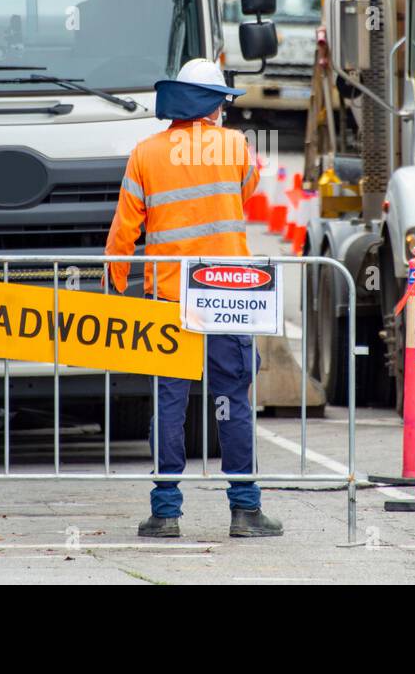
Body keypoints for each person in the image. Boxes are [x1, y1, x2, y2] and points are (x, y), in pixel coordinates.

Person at [105, 59, 282, 539]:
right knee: (233, 400)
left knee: (169, 403)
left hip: (168, 298)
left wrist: (117, 285)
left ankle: (165, 512)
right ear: (211, 104)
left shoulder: (146, 152)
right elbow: (245, 194)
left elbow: (124, 229)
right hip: (228, 293)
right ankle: (245, 510)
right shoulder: (236, 146)